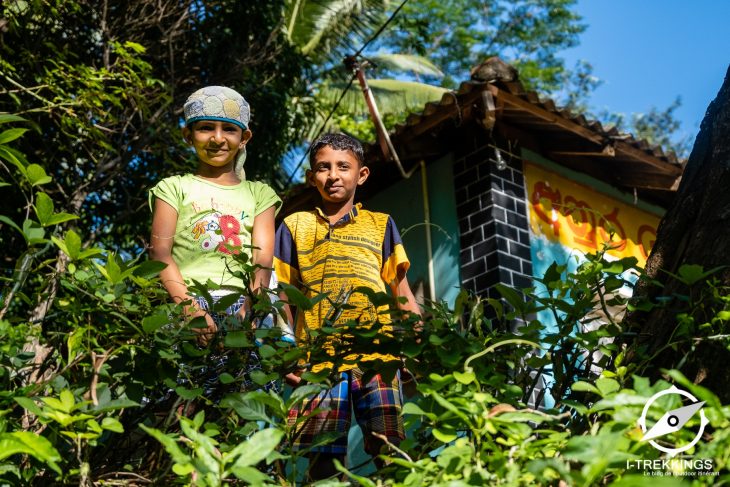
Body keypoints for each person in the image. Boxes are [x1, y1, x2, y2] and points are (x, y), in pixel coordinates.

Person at [274, 133, 421, 480]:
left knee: (386, 445)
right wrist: (286, 350)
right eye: (323, 168)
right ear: (312, 177)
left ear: (362, 174)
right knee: (322, 453)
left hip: (377, 354)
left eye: (343, 167)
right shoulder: (294, 226)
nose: (333, 175)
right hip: (317, 357)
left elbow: (400, 292)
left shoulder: (381, 225)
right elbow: (280, 294)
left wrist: (417, 340)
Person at [148, 86, 281, 398]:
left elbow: (262, 261)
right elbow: (160, 253)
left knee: (240, 407)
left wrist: (248, 313)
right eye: (206, 127)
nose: (218, 138)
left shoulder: (260, 195)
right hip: (183, 303)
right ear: (188, 135)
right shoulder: (172, 188)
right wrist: (190, 310)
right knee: (177, 406)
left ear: (244, 138)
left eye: (229, 130)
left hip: (243, 310)